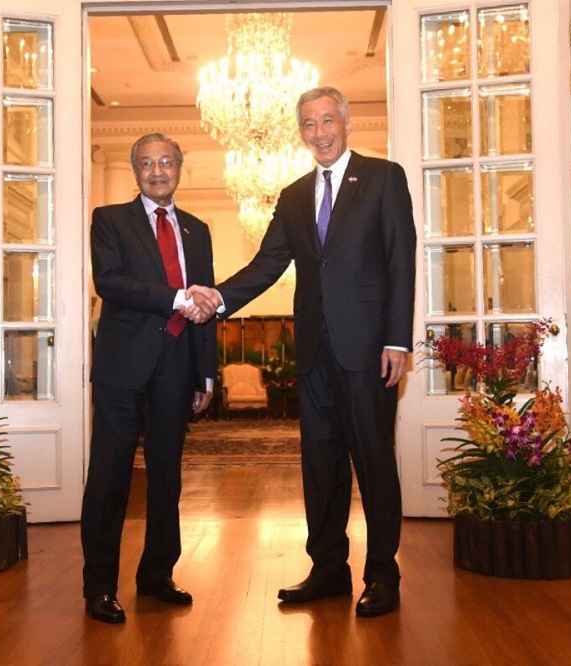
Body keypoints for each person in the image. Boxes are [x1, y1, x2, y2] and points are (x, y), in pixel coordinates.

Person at [186, 86, 416, 618]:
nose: (320, 133)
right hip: (314, 350)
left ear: (346, 121)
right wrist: (218, 297)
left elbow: (400, 259)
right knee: (321, 464)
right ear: (301, 132)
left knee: (375, 461)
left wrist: (397, 340)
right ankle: (329, 569)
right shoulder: (292, 196)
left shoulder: (383, 178)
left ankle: (383, 573)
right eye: (309, 125)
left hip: (369, 349)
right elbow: (267, 265)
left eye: (328, 121)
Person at [81, 134, 216, 624]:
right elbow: (110, 281)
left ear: (180, 167)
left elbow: (209, 305)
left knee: (166, 477)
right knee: (109, 477)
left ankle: (157, 575)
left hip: (177, 367)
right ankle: (99, 586)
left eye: (165, 162)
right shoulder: (110, 220)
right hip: (122, 366)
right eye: (146, 164)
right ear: (134, 171)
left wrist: (205, 372)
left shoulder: (198, 231)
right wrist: (176, 298)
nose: (156, 171)